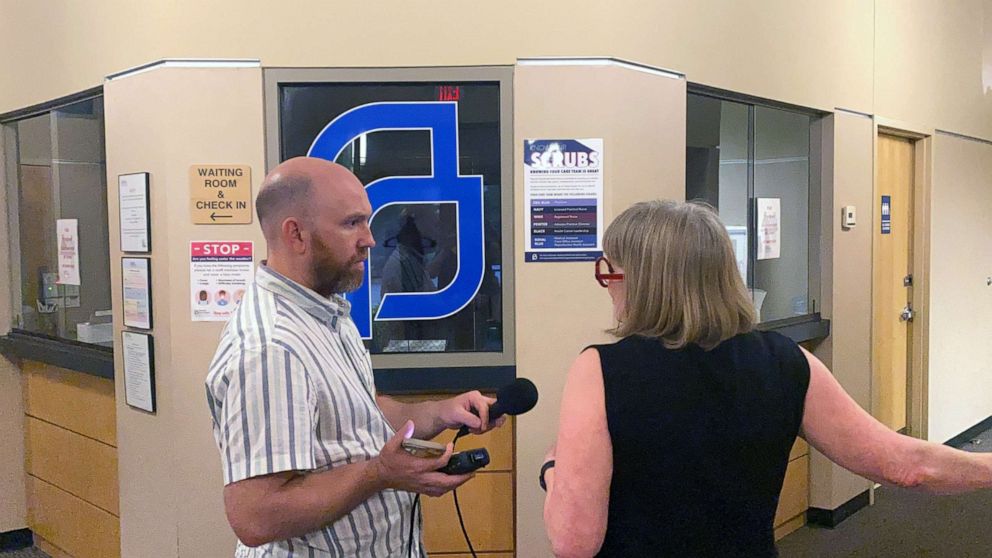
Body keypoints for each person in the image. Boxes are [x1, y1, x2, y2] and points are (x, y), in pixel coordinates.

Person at [541, 200, 992, 558]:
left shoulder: (599, 370)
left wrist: (553, 469)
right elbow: (908, 466)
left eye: (609, 273)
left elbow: (573, 541)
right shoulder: (787, 361)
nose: (609, 287)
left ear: (640, 282)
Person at [205, 157, 504, 557]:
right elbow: (256, 515)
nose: (370, 239)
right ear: (296, 234)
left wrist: (443, 412)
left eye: (367, 221)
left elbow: (359, 416)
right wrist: (380, 474)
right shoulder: (270, 348)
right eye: (351, 223)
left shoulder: (328, 312)